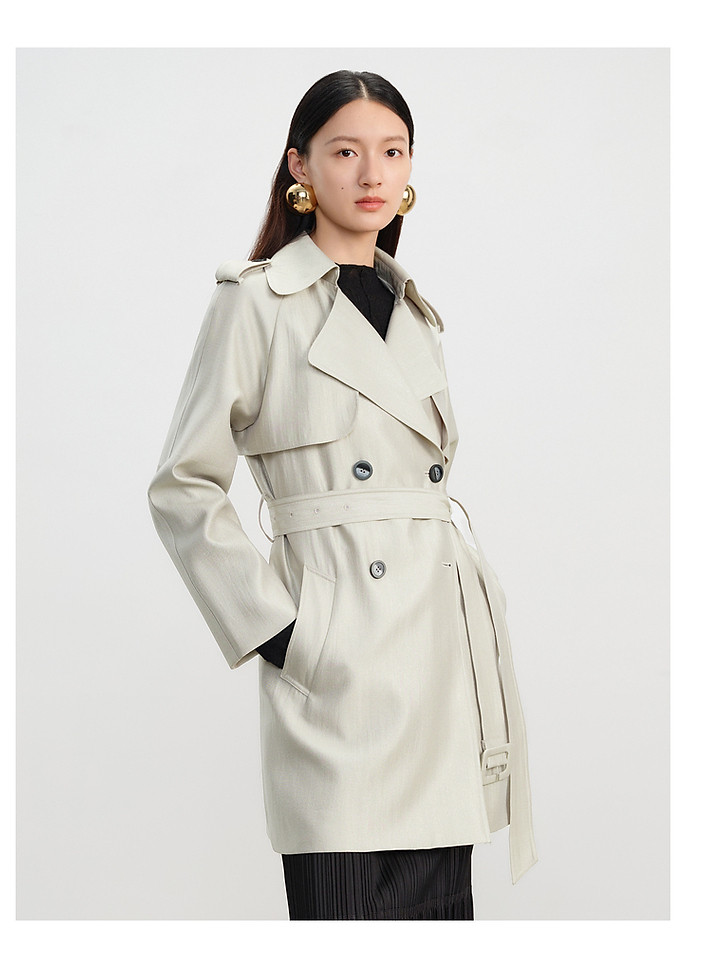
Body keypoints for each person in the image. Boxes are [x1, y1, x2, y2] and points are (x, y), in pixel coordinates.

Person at [147, 69, 538, 920]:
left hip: (439, 660)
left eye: (392, 153)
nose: (372, 175)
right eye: (346, 152)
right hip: (338, 668)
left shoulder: (414, 311)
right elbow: (182, 484)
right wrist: (283, 633)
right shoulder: (256, 302)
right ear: (301, 166)